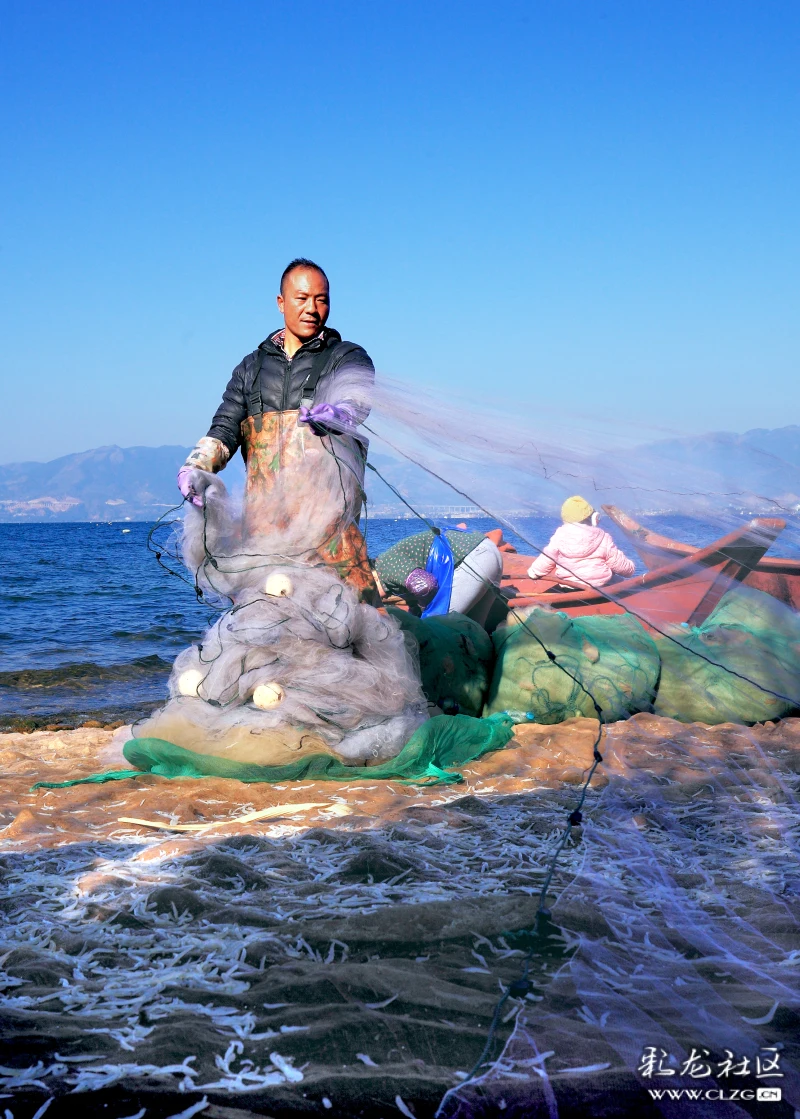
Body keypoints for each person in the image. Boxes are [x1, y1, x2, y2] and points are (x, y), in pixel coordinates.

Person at [177, 259, 378, 600]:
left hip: (331, 533)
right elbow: (226, 425)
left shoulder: (346, 356)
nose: (312, 309)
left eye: (322, 299)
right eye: (302, 298)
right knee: (264, 623)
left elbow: (357, 399)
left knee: (348, 622)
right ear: (281, 302)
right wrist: (196, 466)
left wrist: (338, 415)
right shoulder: (251, 368)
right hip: (265, 534)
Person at [372, 526, 503, 627]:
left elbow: (425, 585)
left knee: (434, 628)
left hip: (475, 558)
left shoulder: (384, 566)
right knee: (473, 631)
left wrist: (426, 614)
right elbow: (416, 599)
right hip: (488, 551)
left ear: (372, 576)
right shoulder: (393, 574)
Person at [528, 496, 635, 589]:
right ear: (593, 518)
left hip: (568, 587)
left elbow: (547, 557)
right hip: (600, 589)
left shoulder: (559, 536)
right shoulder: (602, 537)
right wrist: (630, 569)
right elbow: (618, 563)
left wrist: (534, 572)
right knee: (618, 581)